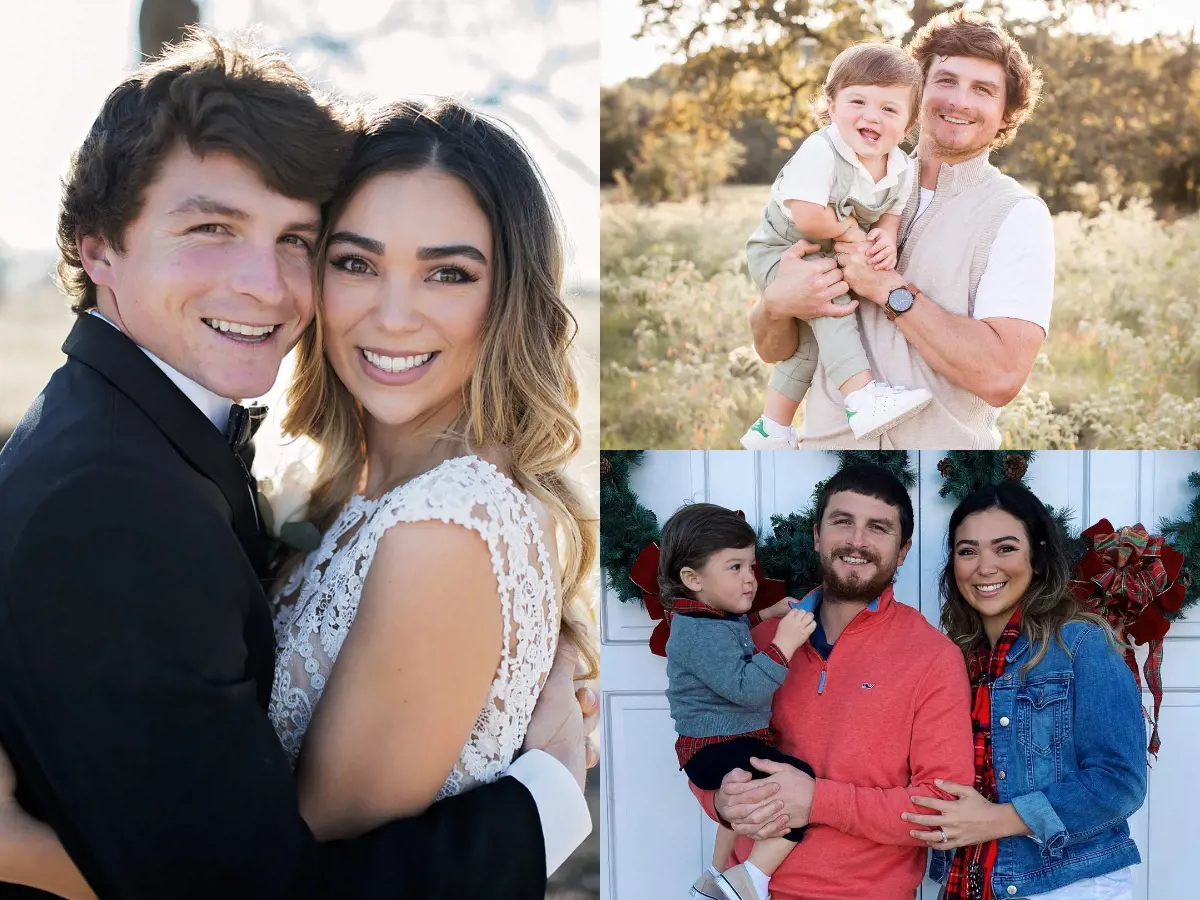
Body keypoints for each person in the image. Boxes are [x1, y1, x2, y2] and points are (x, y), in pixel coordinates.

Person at [0, 31, 593, 900]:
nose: (392, 316)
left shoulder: (445, 529)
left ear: (508, 299)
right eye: (354, 261)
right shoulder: (142, 488)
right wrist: (548, 798)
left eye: (448, 274)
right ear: (98, 251)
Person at [749, 10, 1053, 449]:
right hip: (824, 456)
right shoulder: (837, 182)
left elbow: (1001, 377)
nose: (959, 101)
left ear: (1006, 113)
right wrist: (775, 305)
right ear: (916, 93)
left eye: (983, 90)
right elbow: (774, 351)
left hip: (940, 468)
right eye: (945, 80)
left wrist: (888, 289)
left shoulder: (1017, 214)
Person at [691, 464, 974, 900]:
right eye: (843, 522)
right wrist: (720, 804)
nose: (857, 541)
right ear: (817, 535)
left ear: (903, 551)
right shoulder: (760, 641)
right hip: (741, 888)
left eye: (878, 528)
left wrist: (818, 800)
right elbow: (707, 738)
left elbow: (942, 808)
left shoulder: (932, 657)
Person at [905, 481, 1147, 900]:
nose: (984, 567)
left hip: (1066, 883)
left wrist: (1000, 819)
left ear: (1036, 558)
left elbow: (1120, 783)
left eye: (1005, 548)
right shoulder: (955, 661)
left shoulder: (1082, 646)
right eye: (967, 551)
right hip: (969, 882)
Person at [741, 42, 931, 450]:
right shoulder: (822, 150)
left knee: (811, 342)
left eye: (889, 109)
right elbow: (808, 217)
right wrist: (850, 234)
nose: (871, 116)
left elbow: (891, 212)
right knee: (833, 307)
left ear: (910, 121)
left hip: (819, 249)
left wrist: (885, 236)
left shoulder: (900, 167)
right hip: (782, 248)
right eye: (857, 100)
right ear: (830, 102)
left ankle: (771, 429)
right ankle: (861, 398)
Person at [658, 503, 817, 900]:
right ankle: (752, 878)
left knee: (744, 796)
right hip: (716, 747)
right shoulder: (698, 632)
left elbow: (733, 635)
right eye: (735, 567)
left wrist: (768, 613)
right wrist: (785, 643)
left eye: (751, 566)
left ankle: (715, 874)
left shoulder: (706, 619)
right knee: (796, 786)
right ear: (692, 578)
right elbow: (745, 686)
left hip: (721, 745)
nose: (750, 578)